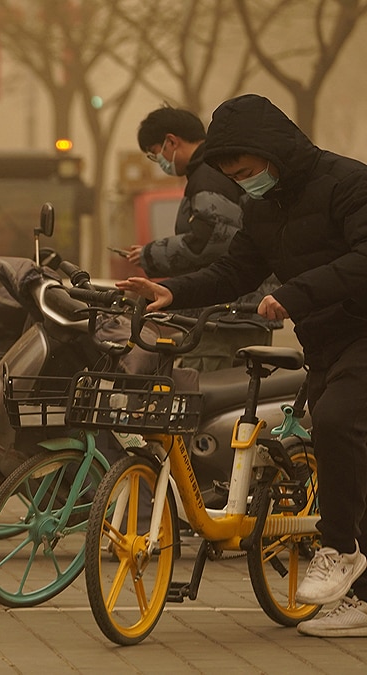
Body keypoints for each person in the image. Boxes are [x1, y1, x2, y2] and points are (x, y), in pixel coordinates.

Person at [116, 93, 367, 638]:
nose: (244, 183)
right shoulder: (263, 207)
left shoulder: (349, 183)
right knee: (345, 454)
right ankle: (364, 599)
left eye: (248, 173)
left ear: (275, 153)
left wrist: (297, 294)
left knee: (335, 423)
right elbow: (235, 271)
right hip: (326, 341)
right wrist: (170, 289)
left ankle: (341, 550)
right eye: (235, 176)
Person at [121, 105, 276, 370]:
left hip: (227, 317)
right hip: (236, 312)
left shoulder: (208, 175)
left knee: (209, 394)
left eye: (155, 154)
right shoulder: (210, 171)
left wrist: (149, 254)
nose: (158, 162)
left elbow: (209, 239)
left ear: (171, 142)